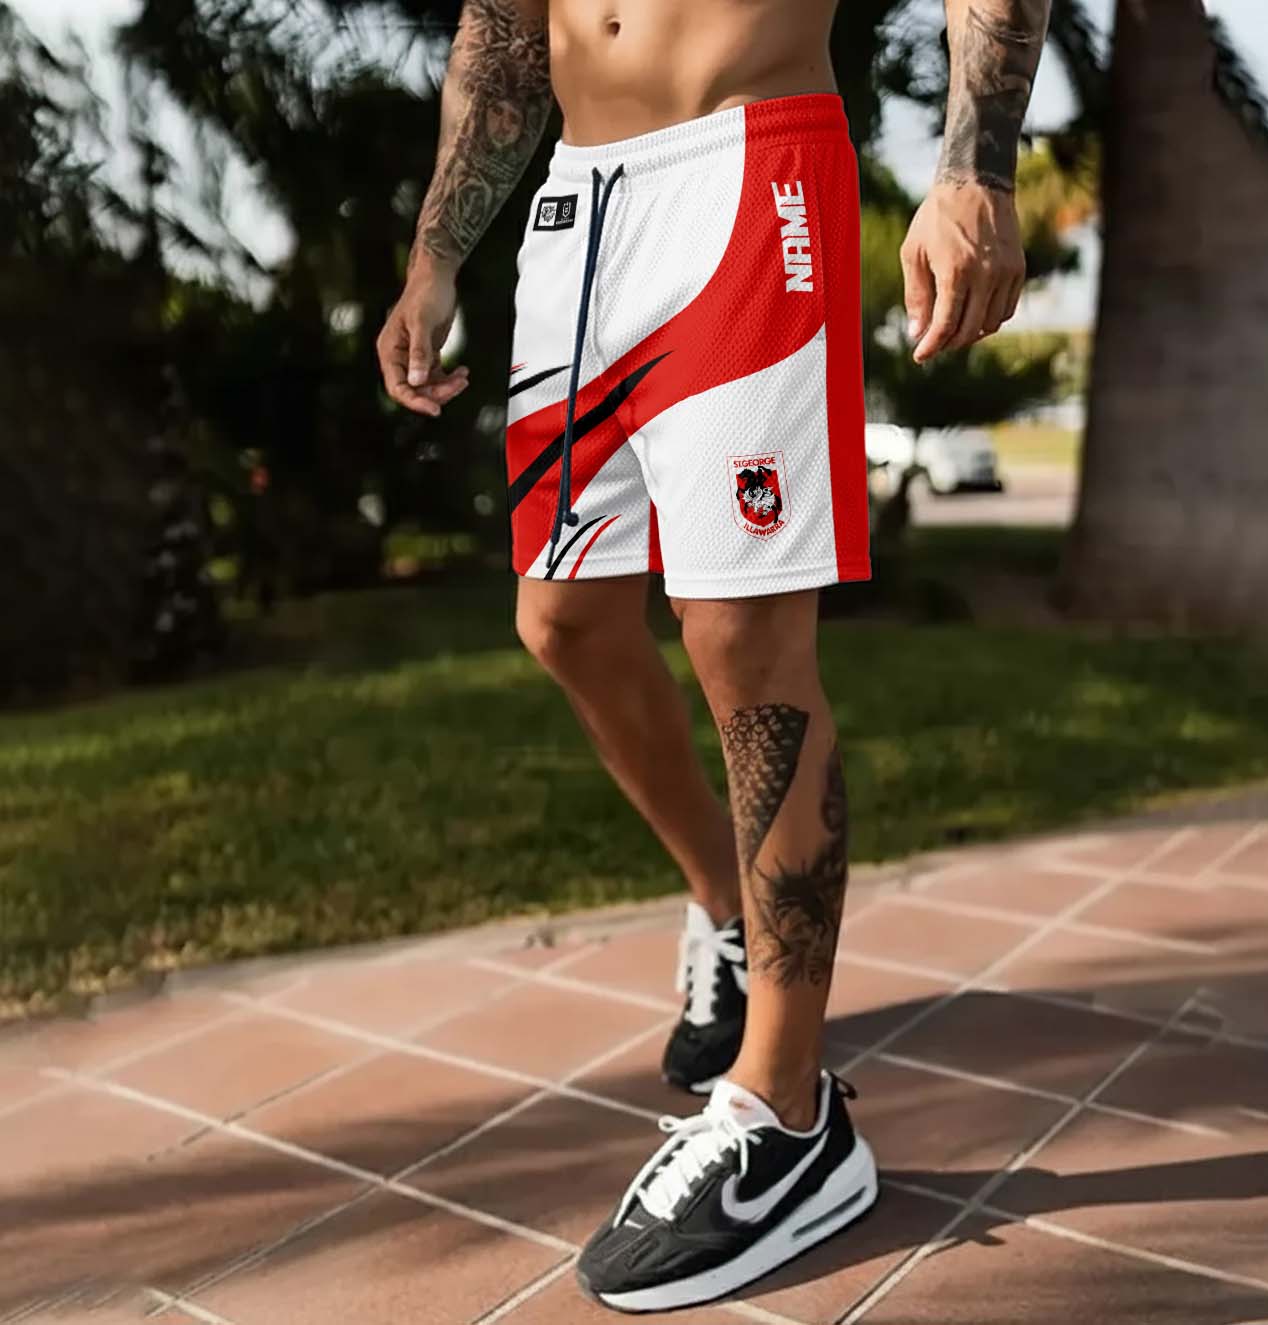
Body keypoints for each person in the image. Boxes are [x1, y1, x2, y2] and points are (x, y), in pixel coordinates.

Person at [377, 0, 1049, 1309]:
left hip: (749, 168)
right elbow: (502, 30)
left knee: (741, 635)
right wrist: (434, 254)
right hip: (577, 207)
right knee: (562, 622)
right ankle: (728, 911)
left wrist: (975, 168)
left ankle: (787, 1113)